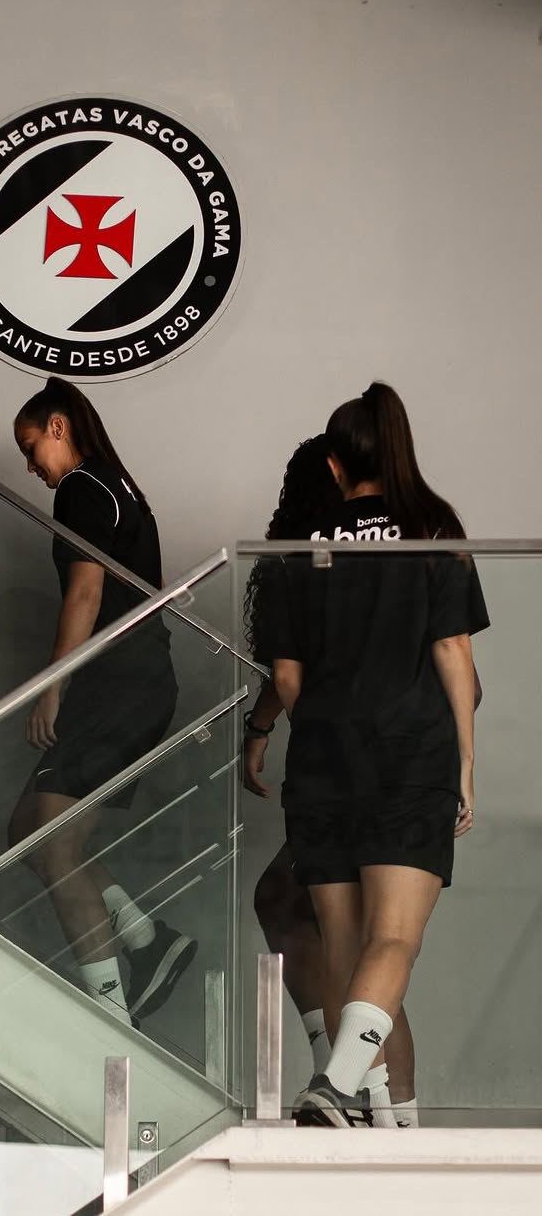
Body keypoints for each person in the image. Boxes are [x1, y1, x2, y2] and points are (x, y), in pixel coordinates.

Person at [259, 383, 487, 1127]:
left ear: (334, 465)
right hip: (409, 755)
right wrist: (465, 761)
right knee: (391, 940)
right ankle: (337, 1087)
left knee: (344, 946)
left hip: (322, 759)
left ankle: (375, 1119)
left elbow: (286, 677)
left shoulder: (303, 546)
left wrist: (327, 732)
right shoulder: (431, 527)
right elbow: (452, 651)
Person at [243, 435, 419, 1127]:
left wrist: (282, 732)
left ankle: (374, 1104)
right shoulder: (378, 554)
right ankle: (351, 1087)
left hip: (350, 770)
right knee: (305, 910)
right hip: (384, 763)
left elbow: (296, 672)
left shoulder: (312, 562)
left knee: (369, 946)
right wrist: (261, 725)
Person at [8, 377, 194, 1026]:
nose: (31, 467)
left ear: (58, 426)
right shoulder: (122, 487)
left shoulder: (84, 487)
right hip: (134, 681)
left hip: (117, 683)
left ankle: (109, 1016)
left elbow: (85, 593)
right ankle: (146, 938)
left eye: (31, 448)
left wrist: (52, 687)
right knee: (26, 831)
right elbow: (155, 588)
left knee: (55, 846)